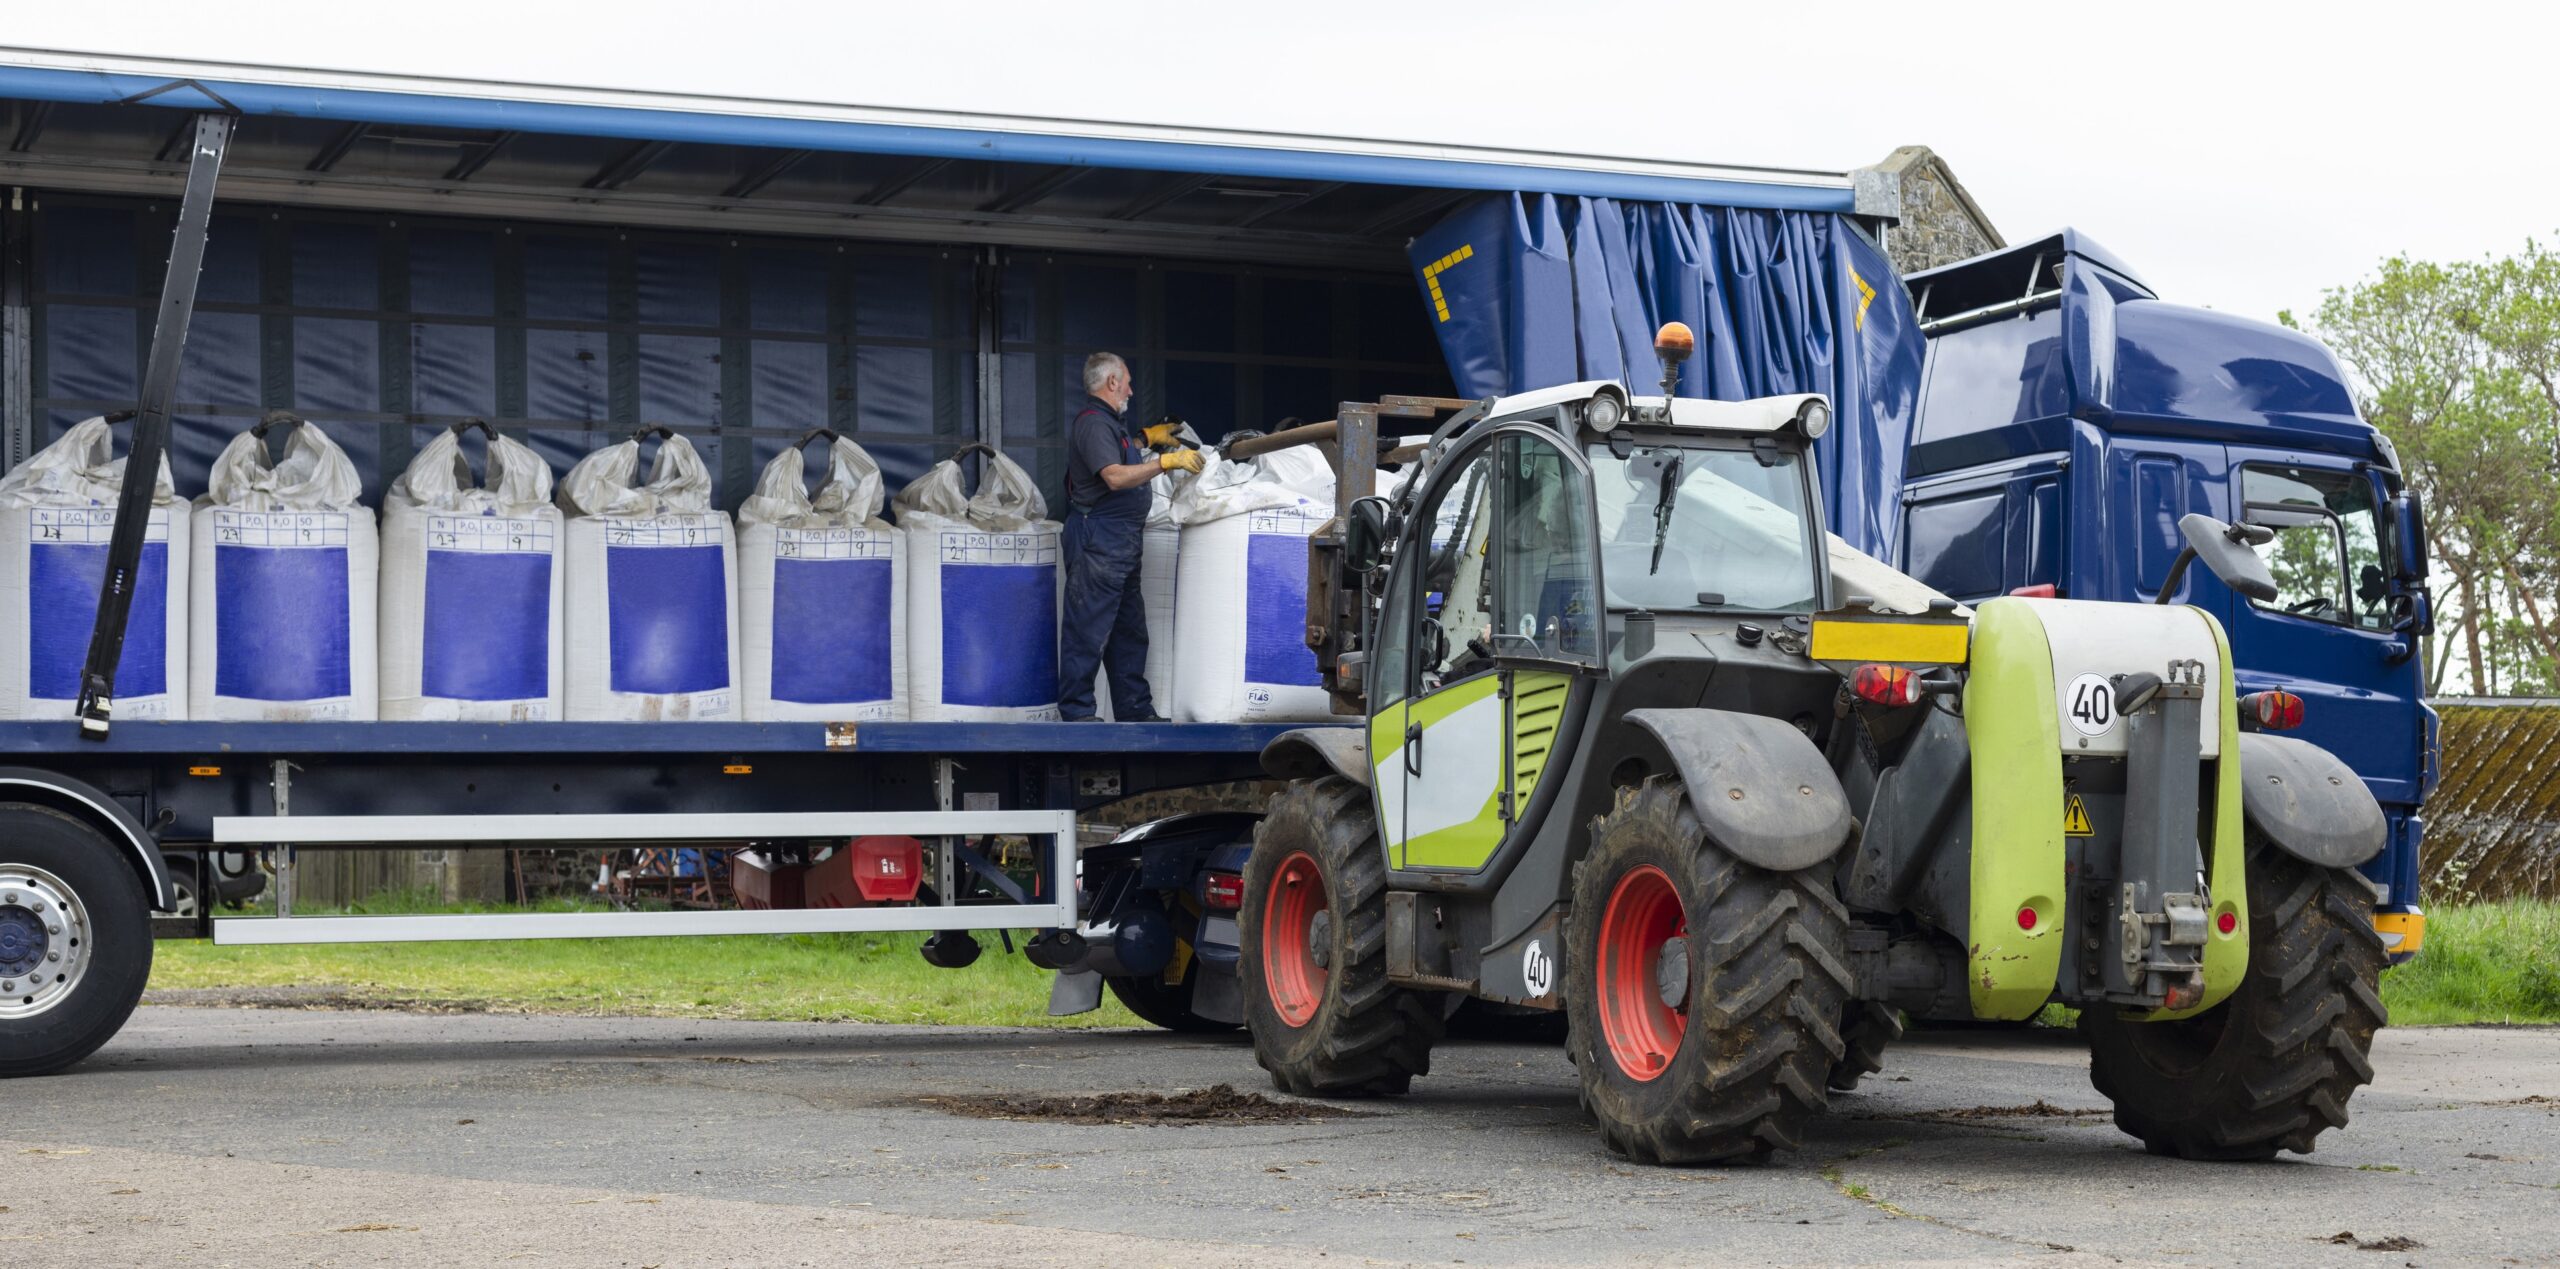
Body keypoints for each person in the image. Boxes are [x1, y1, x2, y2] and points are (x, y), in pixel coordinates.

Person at [1057, 351, 1202, 722]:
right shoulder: (1092, 423)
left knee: (1128, 631)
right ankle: (1077, 714)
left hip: (1118, 542)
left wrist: (1144, 440)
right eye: (1128, 382)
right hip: (1098, 539)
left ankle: (1134, 710)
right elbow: (1115, 477)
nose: (1132, 391)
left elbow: (1121, 456)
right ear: (1111, 383)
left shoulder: (1109, 424)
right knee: (1088, 629)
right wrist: (1164, 462)